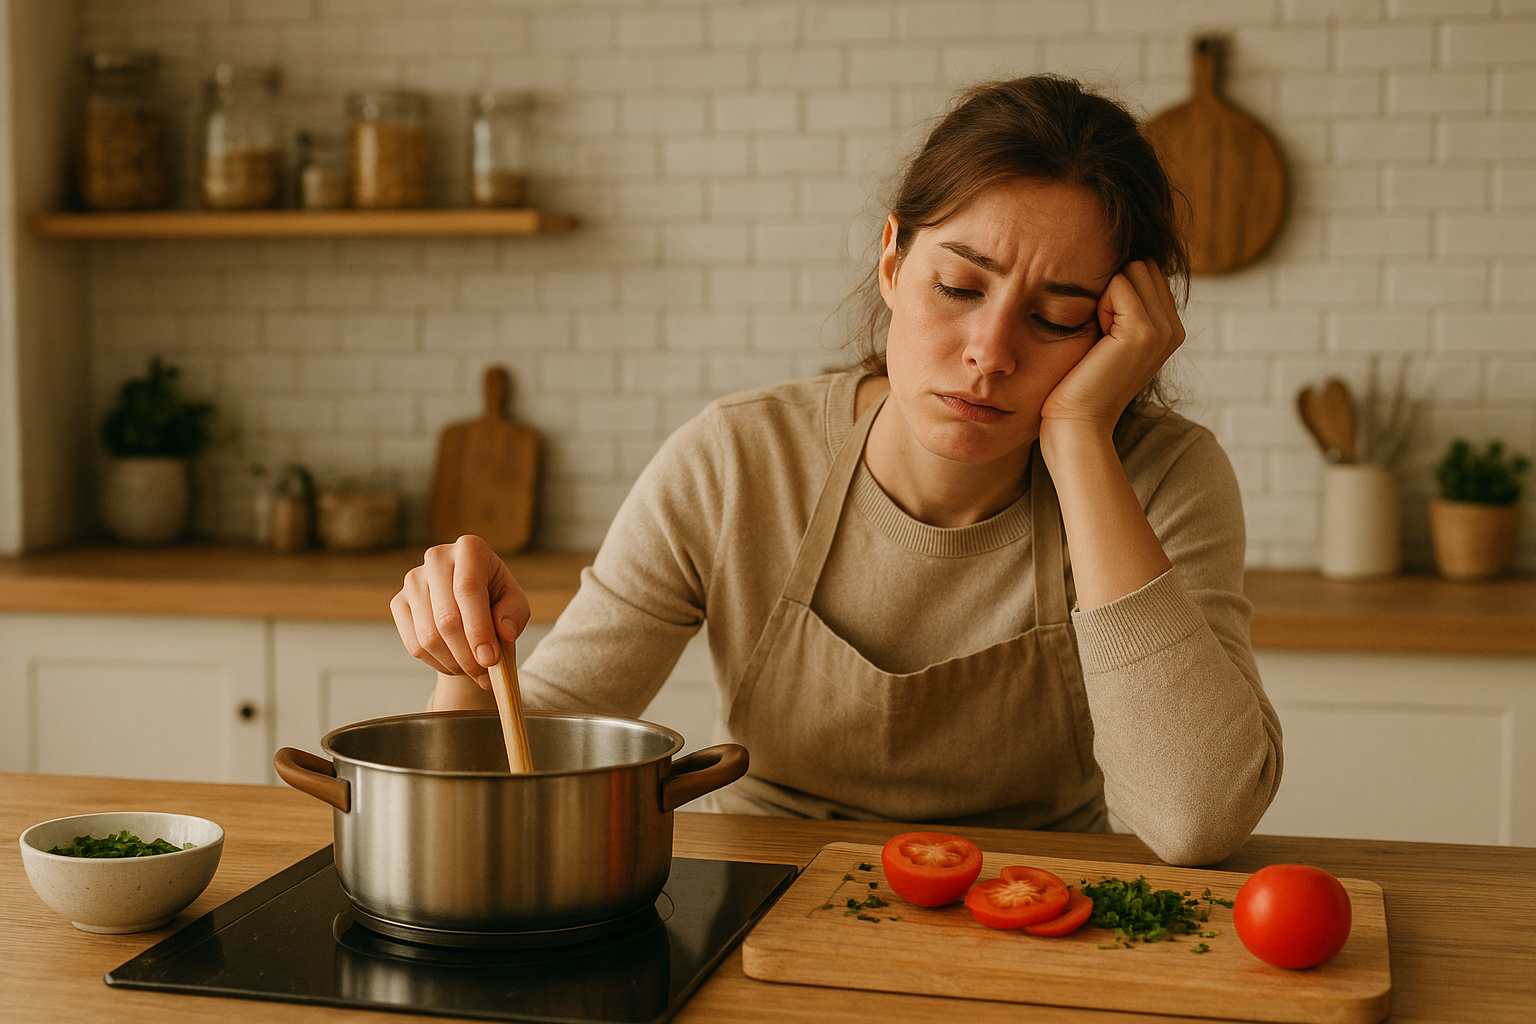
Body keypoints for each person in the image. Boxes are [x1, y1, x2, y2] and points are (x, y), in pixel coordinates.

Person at [391, 75, 1282, 867]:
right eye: (960, 289)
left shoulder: (1165, 478)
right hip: (756, 890)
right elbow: (526, 763)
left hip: (1031, 908)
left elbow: (1195, 819)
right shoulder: (737, 461)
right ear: (893, 262)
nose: (990, 353)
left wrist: (1083, 435)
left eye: (1056, 317)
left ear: (1117, 333)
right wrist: (468, 655)